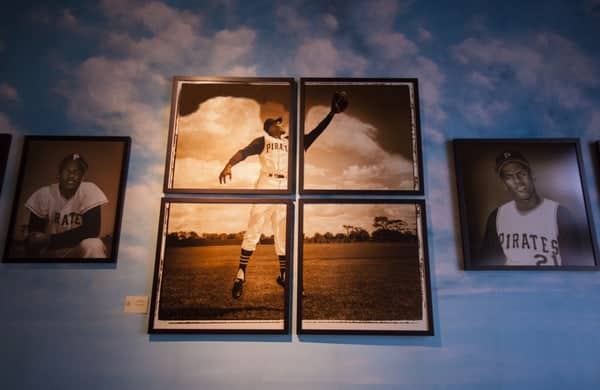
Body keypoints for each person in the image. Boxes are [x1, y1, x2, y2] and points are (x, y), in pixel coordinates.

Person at [219, 91, 349, 298]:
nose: (281, 125)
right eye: (276, 123)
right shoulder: (263, 140)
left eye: (280, 123)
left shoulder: (293, 143)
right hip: (266, 184)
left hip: (286, 187)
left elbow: (316, 133)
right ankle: (240, 274)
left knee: (283, 233)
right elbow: (243, 152)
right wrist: (228, 164)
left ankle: (284, 275)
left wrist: (331, 114)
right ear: (269, 127)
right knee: (254, 228)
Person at [479, 150, 580, 266]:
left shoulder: (560, 213)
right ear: (504, 185)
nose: (518, 181)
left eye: (521, 173)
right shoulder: (496, 216)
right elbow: (487, 267)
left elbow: (574, 266)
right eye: (509, 177)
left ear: (532, 175)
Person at [24, 153, 108, 258]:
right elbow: (34, 235)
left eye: (76, 172)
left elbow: (92, 231)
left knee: (93, 244)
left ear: (82, 178)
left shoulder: (89, 190)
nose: (71, 175)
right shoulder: (44, 193)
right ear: (58, 174)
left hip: (77, 250)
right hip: (51, 251)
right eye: (67, 171)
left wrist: (50, 239)